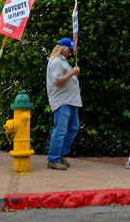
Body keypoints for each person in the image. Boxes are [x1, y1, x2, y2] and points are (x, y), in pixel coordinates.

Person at [46, 37, 82, 170]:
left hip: (70, 101)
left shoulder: (62, 61)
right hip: (62, 101)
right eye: (70, 50)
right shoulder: (56, 61)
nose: (71, 52)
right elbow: (57, 81)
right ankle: (53, 159)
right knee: (60, 130)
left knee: (73, 127)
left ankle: (60, 154)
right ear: (63, 49)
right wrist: (73, 72)